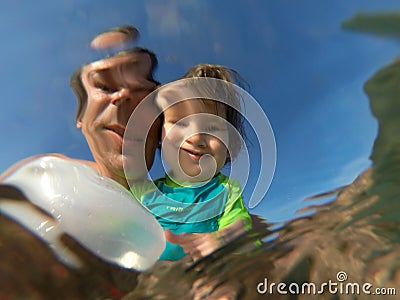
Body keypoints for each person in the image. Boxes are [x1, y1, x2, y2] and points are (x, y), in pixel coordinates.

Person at [128, 63, 252, 261]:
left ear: (230, 143)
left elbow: (240, 226)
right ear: (159, 133)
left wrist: (220, 238)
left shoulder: (225, 190)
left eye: (212, 127)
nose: (195, 138)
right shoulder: (146, 192)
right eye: (181, 123)